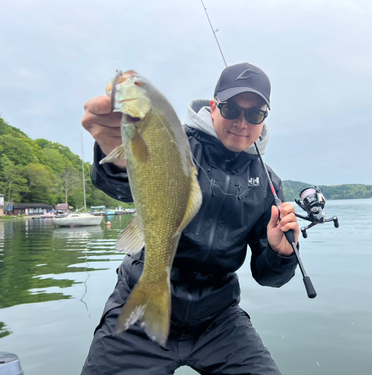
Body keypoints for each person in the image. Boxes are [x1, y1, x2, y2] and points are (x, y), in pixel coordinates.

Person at [80, 62, 299, 375]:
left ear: (264, 120)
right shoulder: (173, 141)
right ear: (213, 108)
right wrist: (116, 155)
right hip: (139, 299)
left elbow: (269, 277)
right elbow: (122, 185)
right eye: (231, 108)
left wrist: (281, 253)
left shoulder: (268, 184)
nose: (241, 122)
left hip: (218, 318)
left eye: (254, 114)